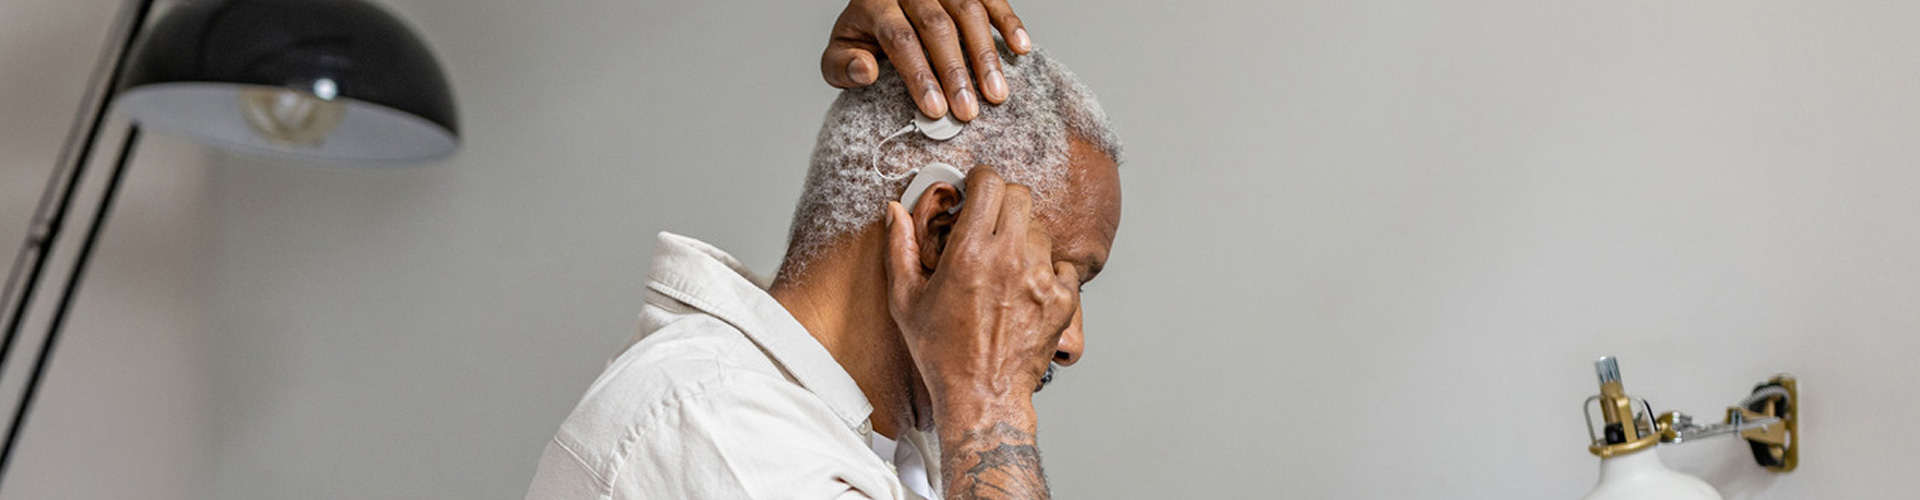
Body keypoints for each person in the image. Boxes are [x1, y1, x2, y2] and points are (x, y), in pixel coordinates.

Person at [525, 1, 1122, 498]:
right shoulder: (724, 435)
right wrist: (989, 407)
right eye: (1064, 278)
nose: (1071, 342)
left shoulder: (873, 452)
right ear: (942, 231)